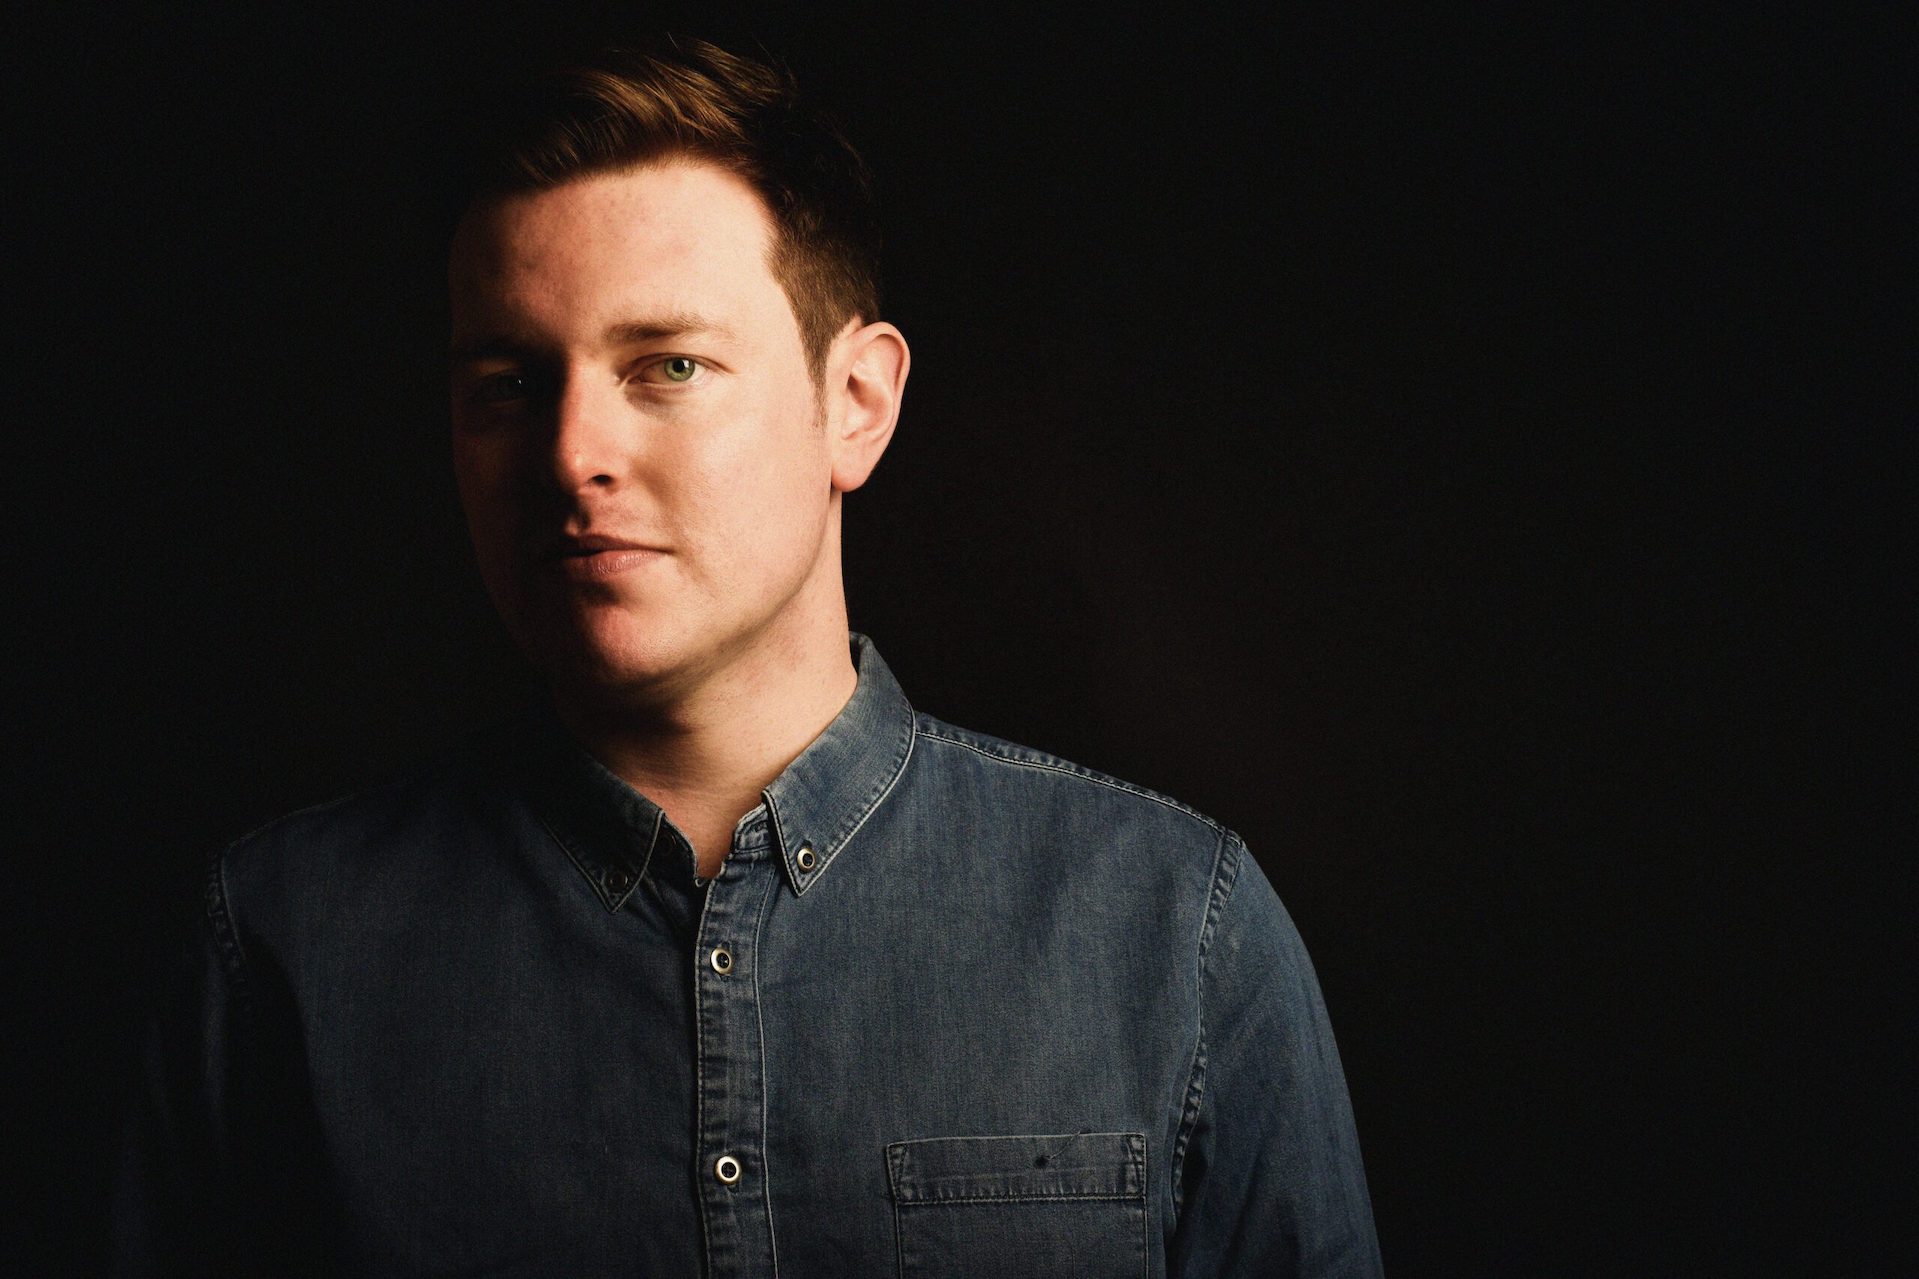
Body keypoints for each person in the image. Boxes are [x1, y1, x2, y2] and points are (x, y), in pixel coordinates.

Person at [113, 38, 1381, 1277]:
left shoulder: (1173, 927)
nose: (568, 455)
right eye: (506, 383)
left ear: (856, 405)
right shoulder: (279, 951)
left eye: (667, 365)